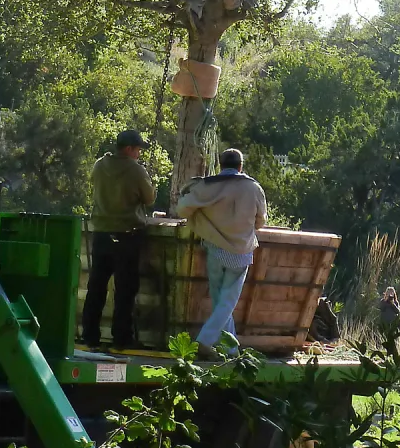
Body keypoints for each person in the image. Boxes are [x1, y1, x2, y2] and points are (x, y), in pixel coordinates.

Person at [175, 147, 267, 358]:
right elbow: (260, 222)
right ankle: (204, 341)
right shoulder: (253, 188)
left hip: (215, 249)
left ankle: (231, 349)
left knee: (220, 301)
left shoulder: (208, 186)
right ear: (240, 166)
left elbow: (182, 208)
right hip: (241, 252)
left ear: (221, 165)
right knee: (227, 302)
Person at [80, 128, 156, 352]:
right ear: (130, 149)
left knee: (96, 286)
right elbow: (150, 199)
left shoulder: (99, 165)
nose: (139, 154)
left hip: (102, 232)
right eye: (138, 149)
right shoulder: (136, 170)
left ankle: (90, 335)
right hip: (127, 234)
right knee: (125, 289)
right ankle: (121, 338)